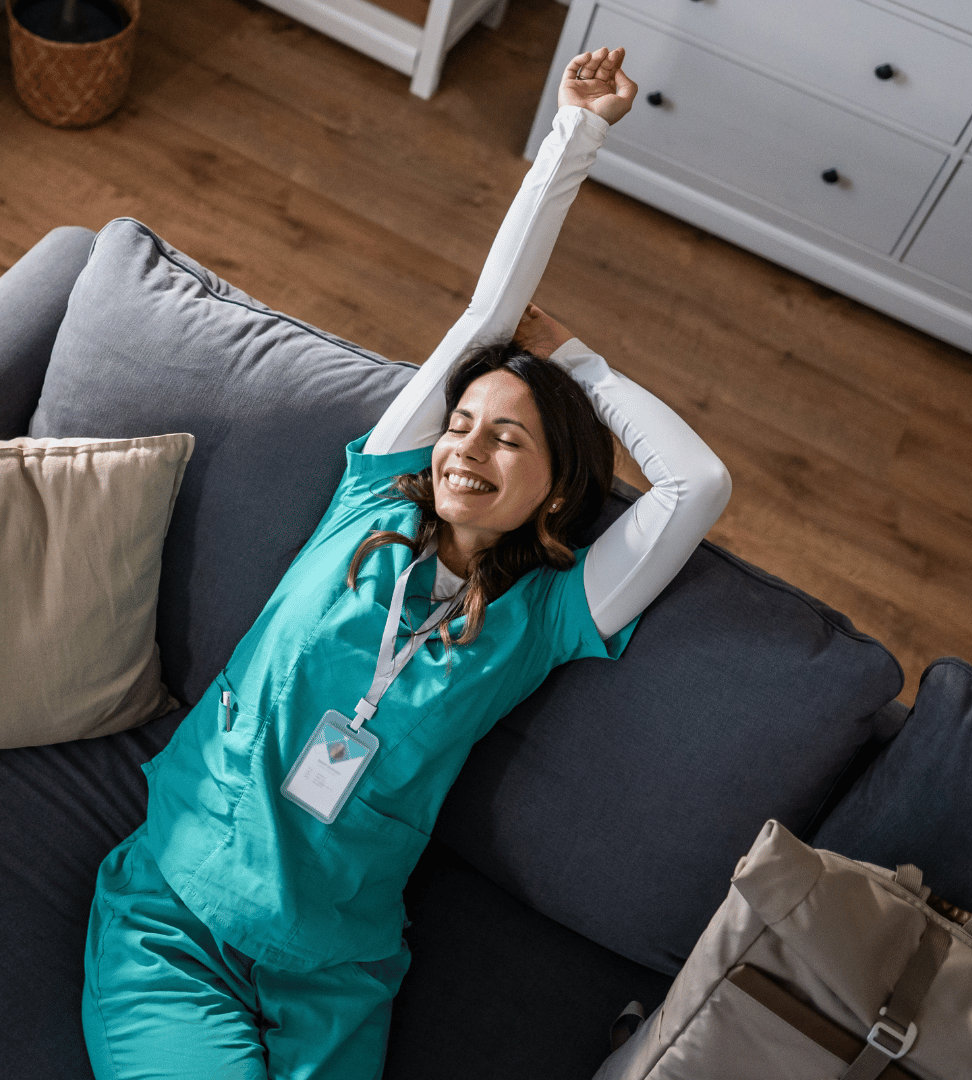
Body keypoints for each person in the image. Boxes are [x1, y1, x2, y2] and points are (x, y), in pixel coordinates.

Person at [80, 47, 731, 1080]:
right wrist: (575, 134)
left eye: (507, 440)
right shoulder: (372, 499)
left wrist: (580, 364)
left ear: (557, 488)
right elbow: (484, 318)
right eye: (461, 425)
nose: (467, 447)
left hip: (337, 973)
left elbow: (697, 486)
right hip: (179, 918)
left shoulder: (546, 618)